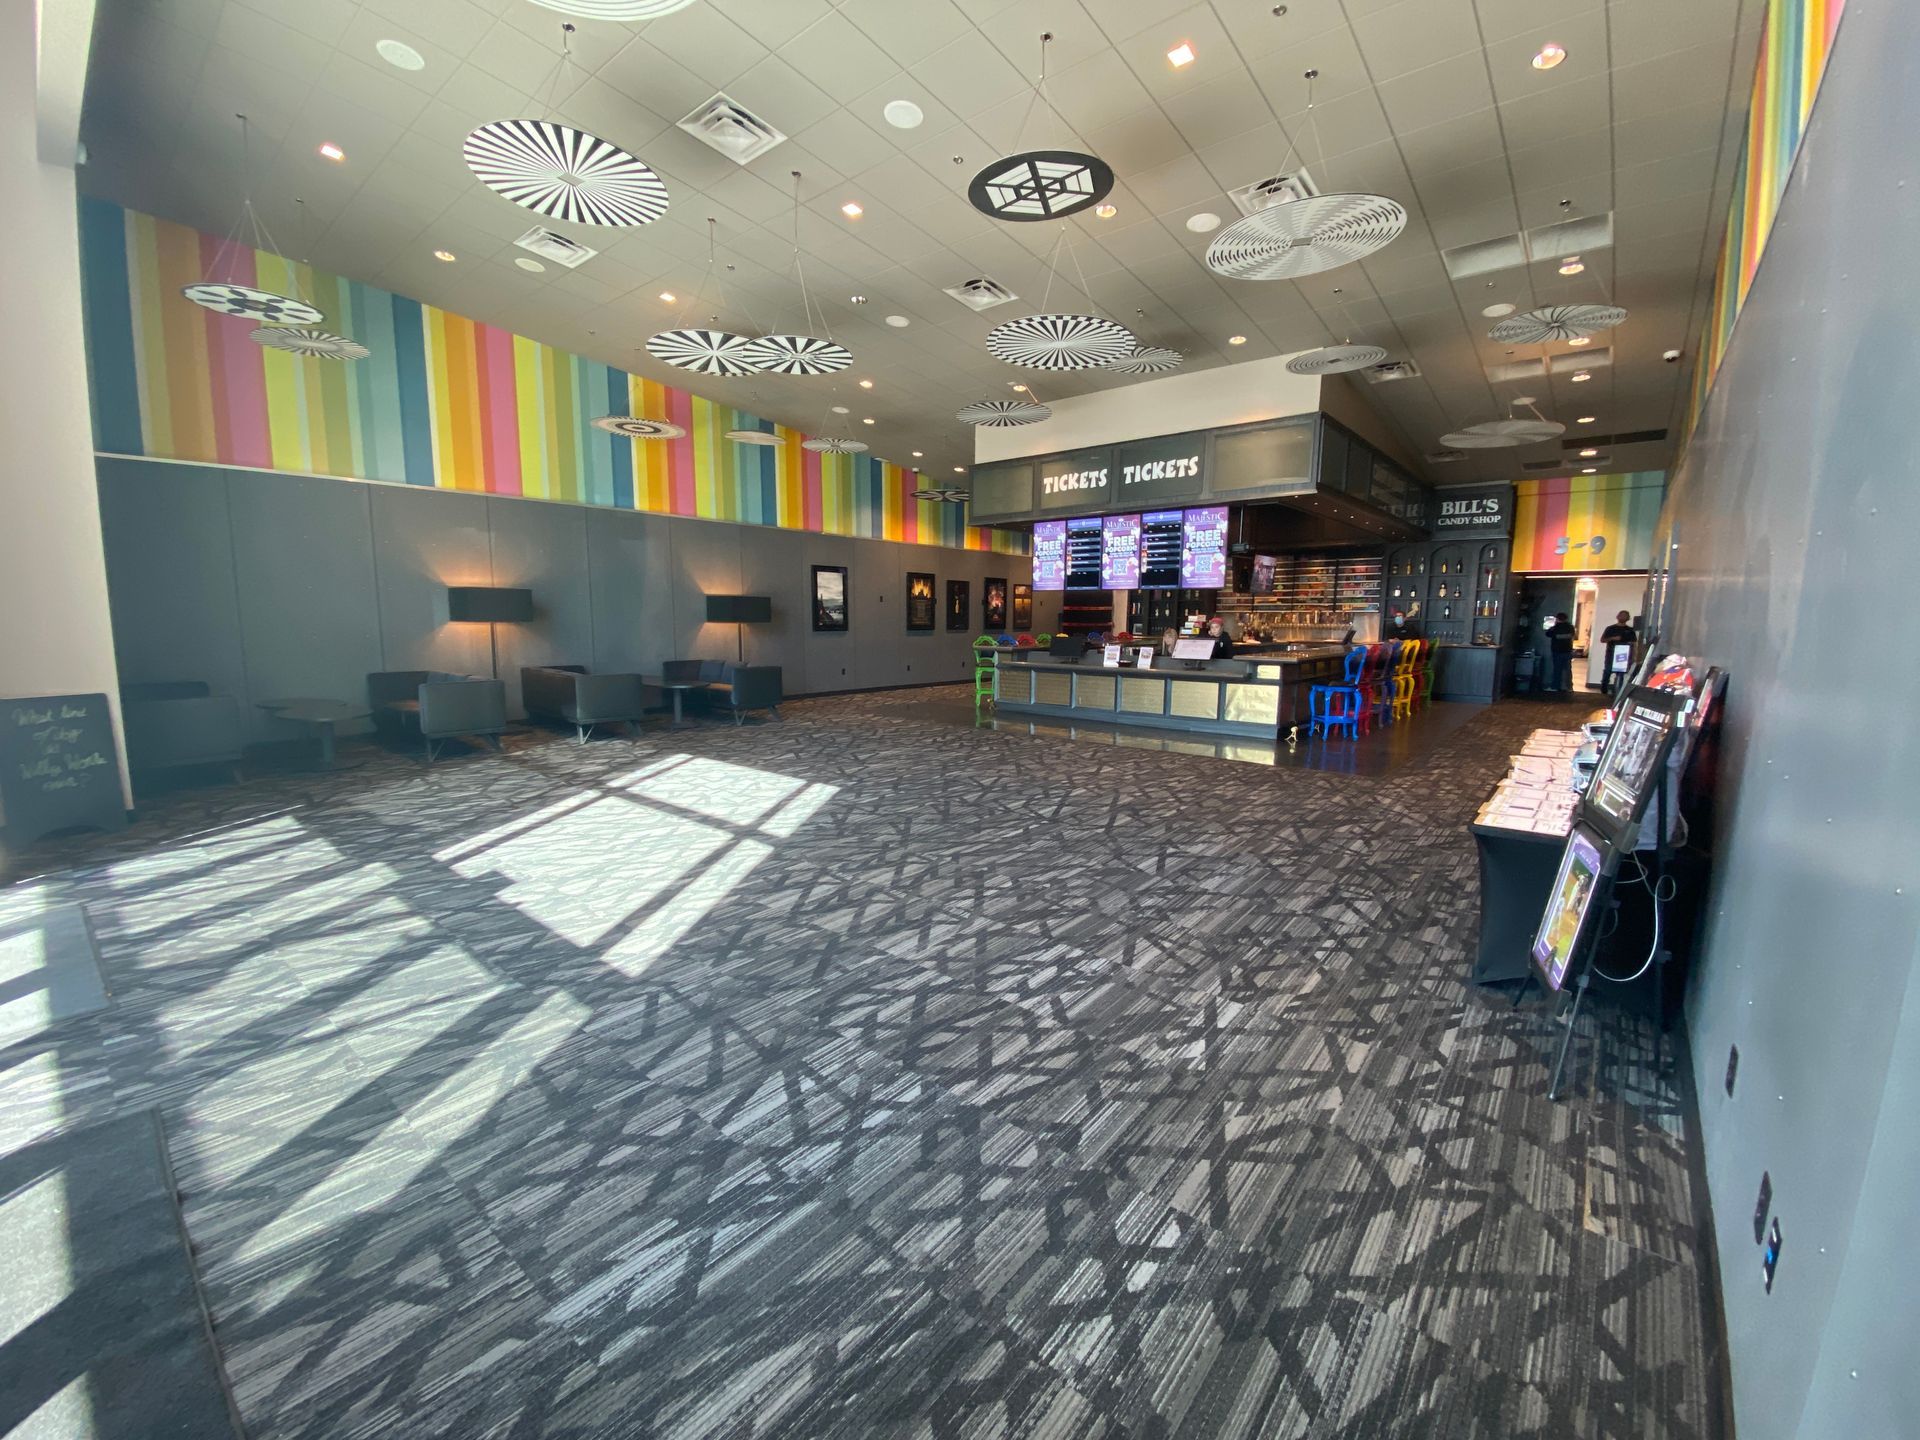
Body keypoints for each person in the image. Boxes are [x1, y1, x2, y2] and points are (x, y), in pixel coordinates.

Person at [1547, 611, 1575, 692]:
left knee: (1557, 670)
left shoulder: (1555, 627)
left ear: (1557, 619)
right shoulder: (1570, 627)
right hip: (1567, 650)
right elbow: (1572, 635)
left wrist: (1556, 634)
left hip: (1557, 651)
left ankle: (1555, 686)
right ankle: (1569, 687)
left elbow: (1548, 634)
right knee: (1568, 670)